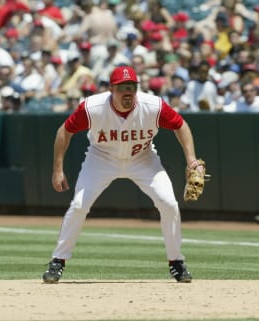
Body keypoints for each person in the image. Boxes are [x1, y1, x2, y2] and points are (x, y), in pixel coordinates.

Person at [42, 66, 204, 283]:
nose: (128, 92)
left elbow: (180, 125)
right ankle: (58, 261)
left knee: (169, 204)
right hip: (101, 158)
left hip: (142, 158)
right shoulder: (93, 107)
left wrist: (192, 159)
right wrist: (58, 169)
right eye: (122, 88)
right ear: (111, 89)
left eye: (132, 87)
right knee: (79, 205)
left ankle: (176, 262)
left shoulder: (153, 106)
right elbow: (65, 131)